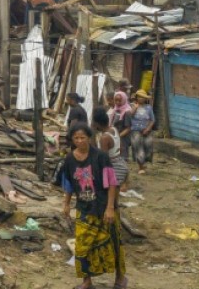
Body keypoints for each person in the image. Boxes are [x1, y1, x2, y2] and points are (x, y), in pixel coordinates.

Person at [59, 122, 127, 289]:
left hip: (104, 206)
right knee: (82, 245)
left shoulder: (100, 157)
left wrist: (110, 208)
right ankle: (87, 281)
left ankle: (120, 278)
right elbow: (68, 183)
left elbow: (112, 183)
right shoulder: (69, 159)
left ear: (89, 138)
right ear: (72, 139)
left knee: (113, 242)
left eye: (83, 137)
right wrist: (66, 204)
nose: (80, 141)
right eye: (76, 138)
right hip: (84, 208)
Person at [93, 107, 128, 189]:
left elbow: (103, 159)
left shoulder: (104, 138)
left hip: (114, 167)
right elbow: (121, 147)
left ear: (97, 124)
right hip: (121, 162)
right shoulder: (113, 129)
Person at [129, 89, 156, 174]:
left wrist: (148, 129)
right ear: (136, 98)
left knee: (148, 147)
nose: (141, 99)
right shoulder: (132, 105)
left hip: (146, 130)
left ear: (145, 98)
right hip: (135, 131)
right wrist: (135, 108)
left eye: (143, 97)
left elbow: (152, 120)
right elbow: (129, 116)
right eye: (139, 97)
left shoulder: (148, 107)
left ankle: (143, 163)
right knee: (138, 148)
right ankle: (140, 167)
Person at [110, 91, 133, 160]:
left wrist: (118, 136)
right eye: (116, 100)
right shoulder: (115, 110)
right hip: (115, 136)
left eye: (119, 100)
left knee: (122, 157)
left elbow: (128, 128)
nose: (117, 102)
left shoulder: (127, 112)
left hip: (123, 138)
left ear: (124, 100)